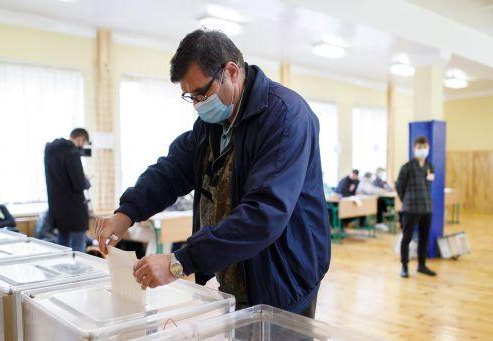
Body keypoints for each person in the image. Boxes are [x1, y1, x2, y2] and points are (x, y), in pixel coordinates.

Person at [95, 29, 330, 317]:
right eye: (189, 96)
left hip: (282, 276)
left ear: (231, 71)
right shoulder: (213, 123)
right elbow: (172, 169)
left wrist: (179, 261)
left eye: (200, 93)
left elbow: (264, 213)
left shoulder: (285, 117)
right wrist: (126, 213)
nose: (196, 105)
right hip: (235, 275)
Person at [396, 137, 437, 278]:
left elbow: (429, 185)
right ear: (414, 149)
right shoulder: (407, 167)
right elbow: (399, 186)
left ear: (428, 148)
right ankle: (404, 266)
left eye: (424, 147)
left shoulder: (429, 166)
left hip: (426, 208)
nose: (422, 150)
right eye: (419, 147)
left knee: (424, 238)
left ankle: (422, 265)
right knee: (406, 238)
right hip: (410, 208)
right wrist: (406, 200)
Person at [44, 128, 91, 252]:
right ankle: (79, 272)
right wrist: (86, 181)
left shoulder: (50, 151)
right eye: (84, 143)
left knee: (62, 247)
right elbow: (79, 184)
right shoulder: (72, 152)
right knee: (79, 250)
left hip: (57, 208)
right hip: (74, 209)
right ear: (80, 139)